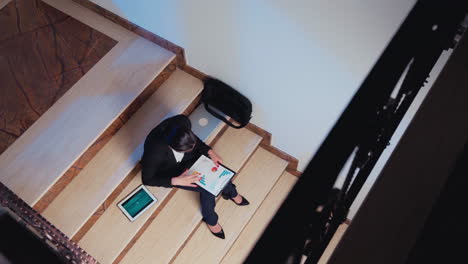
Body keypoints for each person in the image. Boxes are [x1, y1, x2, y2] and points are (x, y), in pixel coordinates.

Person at [141, 114, 249, 239]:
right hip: (173, 170)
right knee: (207, 188)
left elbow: (195, 143)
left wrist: (210, 152)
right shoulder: (155, 151)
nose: (192, 148)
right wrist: (176, 181)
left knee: (219, 172)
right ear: (172, 146)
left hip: (190, 159)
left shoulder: (183, 121)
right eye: (187, 148)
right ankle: (211, 218)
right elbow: (147, 179)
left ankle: (230, 192)